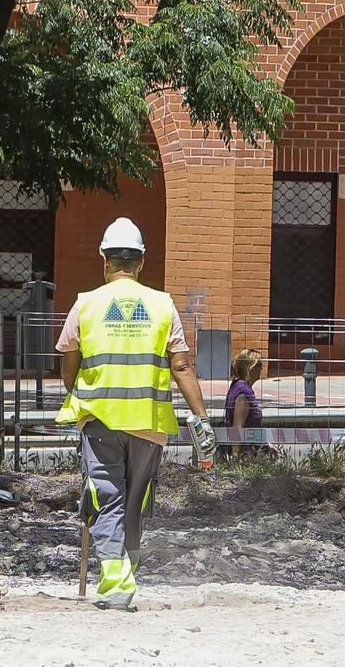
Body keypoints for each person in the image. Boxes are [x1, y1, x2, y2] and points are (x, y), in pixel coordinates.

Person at [55, 217, 214, 610]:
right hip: (149, 424)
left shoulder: (86, 303)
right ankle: (126, 570)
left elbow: (68, 365)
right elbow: (181, 366)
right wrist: (201, 417)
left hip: (101, 420)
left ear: (104, 260)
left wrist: (81, 394)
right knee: (135, 503)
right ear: (142, 261)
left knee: (105, 499)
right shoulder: (162, 305)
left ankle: (116, 577)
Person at [223, 348, 267, 456]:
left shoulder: (239, 386)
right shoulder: (243, 392)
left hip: (250, 451)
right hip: (245, 455)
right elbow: (237, 427)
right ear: (249, 368)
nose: (261, 369)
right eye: (259, 365)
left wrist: (267, 446)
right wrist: (236, 457)